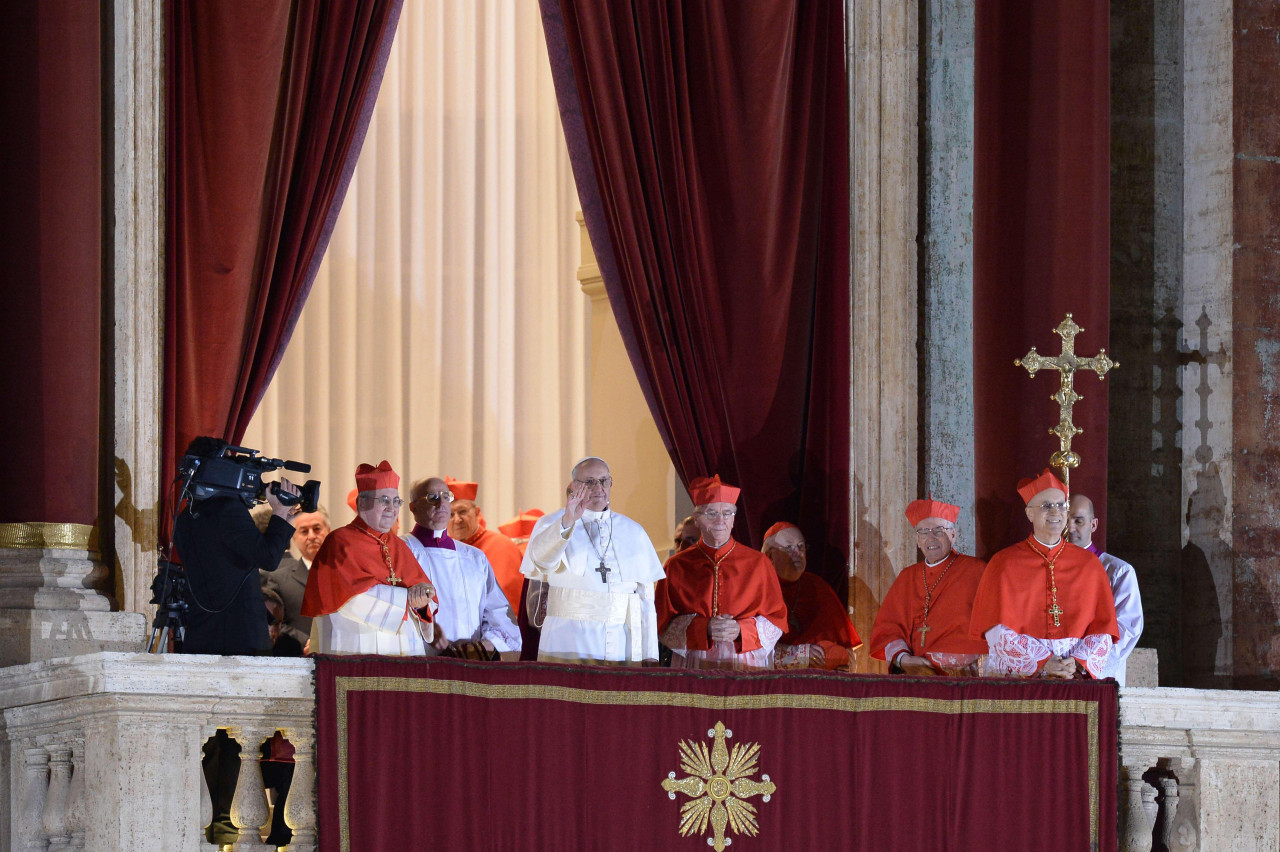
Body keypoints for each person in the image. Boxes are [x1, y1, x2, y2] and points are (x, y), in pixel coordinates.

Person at [969, 469, 1119, 679]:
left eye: (1061, 506)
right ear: (1029, 513)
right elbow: (995, 630)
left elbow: (1103, 629)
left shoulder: (1090, 565)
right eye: (1046, 506)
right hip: (1022, 679)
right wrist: (1041, 662)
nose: (1055, 512)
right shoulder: (1003, 564)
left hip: (1074, 677)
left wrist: (1077, 662)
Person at [519, 457, 665, 665]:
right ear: (574, 486)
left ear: (611, 484)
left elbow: (645, 598)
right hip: (567, 642)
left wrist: (650, 653)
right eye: (590, 482)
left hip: (621, 646)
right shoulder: (552, 523)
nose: (598, 488)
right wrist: (568, 520)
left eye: (603, 480)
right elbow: (542, 562)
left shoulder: (633, 531)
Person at [301, 461, 446, 655]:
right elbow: (348, 598)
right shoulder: (340, 541)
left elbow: (422, 599)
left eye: (396, 502)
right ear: (362, 503)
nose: (392, 508)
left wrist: (422, 601)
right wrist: (406, 599)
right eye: (384, 500)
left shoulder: (399, 546)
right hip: (354, 644)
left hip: (402, 648)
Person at [173, 436, 299, 655]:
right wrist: (278, 512)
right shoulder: (227, 509)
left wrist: (284, 522)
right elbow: (267, 558)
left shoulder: (186, 516)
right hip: (239, 638)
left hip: (202, 635)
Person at [656, 475, 788, 670]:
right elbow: (661, 624)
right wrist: (704, 628)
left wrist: (740, 630)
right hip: (694, 661)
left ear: (734, 520)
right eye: (711, 513)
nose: (720, 520)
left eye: (727, 513)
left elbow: (776, 620)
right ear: (698, 520)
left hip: (743, 660)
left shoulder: (759, 563)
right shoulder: (676, 566)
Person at [404, 476, 521, 659]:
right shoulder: (401, 550)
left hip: (470, 666)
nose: (441, 503)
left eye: (446, 496)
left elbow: (499, 615)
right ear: (413, 507)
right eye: (432, 497)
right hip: (419, 663)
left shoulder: (474, 557)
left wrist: (484, 647)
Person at [868, 497, 988, 676]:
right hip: (916, 674)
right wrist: (904, 659)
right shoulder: (908, 577)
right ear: (917, 540)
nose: (931, 538)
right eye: (924, 532)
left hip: (963, 676)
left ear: (953, 535)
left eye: (939, 531)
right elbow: (888, 628)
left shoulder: (976, 570)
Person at [1067, 493, 1145, 686]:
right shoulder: (1047, 569)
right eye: (1066, 520)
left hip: (1096, 674)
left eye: (1078, 521)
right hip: (1057, 672)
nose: (1070, 528)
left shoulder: (1118, 571)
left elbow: (1127, 627)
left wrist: (1082, 661)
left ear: (1093, 525)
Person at [763, 522, 861, 670]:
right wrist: (799, 655)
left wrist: (835, 658)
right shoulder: (756, 588)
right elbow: (749, 652)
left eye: (801, 546)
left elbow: (849, 659)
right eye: (789, 548)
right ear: (770, 555)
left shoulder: (819, 586)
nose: (799, 553)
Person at [446, 477, 526, 614]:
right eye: (450, 514)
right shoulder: (443, 550)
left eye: (462, 512)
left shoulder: (502, 546)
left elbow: (506, 601)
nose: (457, 520)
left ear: (477, 512)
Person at [260, 505, 330, 656]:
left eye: (317, 529)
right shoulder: (278, 579)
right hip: (298, 658)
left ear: (328, 531)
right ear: (294, 537)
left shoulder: (347, 576)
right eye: (304, 531)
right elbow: (273, 623)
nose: (311, 536)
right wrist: (309, 642)